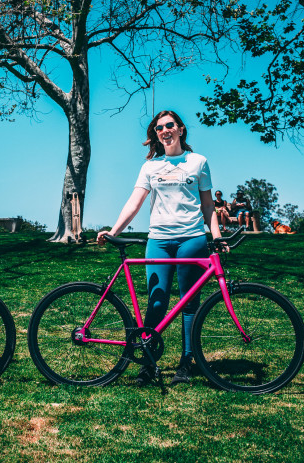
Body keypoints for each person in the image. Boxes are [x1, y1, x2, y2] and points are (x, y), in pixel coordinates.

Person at [97, 110, 226, 386]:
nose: (165, 131)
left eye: (169, 126)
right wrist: (114, 230)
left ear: (180, 129)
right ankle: (147, 362)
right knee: (156, 301)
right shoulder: (150, 167)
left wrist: (215, 237)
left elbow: (207, 205)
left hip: (191, 238)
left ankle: (186, 363)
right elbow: (134, 202)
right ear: (155, 135)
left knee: (189, 303)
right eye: (159, 128)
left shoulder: (198, 162)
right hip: (158, 240)